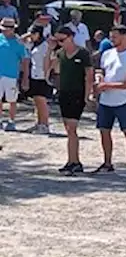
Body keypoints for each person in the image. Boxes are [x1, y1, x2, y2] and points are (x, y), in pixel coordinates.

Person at [94, 26, 126, 178]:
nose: (112, 40)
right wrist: (100, 79)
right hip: (106, 100)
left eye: (115, 37)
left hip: (124, 100)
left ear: (124, 37)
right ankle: (107, 163)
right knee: (104, 131)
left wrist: (108, 85)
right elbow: (102, 71)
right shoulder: (107, 54)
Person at [51, 26, 94, 174]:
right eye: (58, 40)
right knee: (68, 129)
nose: (60, 43)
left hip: (77, 93)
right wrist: (50, 52)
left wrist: (87, 96)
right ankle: (72, 161)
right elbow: (51, 70)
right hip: (64, 93)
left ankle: (74, 161)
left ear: (71, 37)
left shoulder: (82, 53)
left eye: (62, 40)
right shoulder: (60, 53)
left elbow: (89, 75)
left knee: (72, 128)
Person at [21, 24, 53, 134]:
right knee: (36, 101)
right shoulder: (32, 44)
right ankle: (39, 123)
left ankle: (45, 124)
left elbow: (49, 60)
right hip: (34, 74)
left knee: (42, 101)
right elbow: (20, 41)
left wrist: (47, 74)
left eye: (33, 34)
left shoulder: (45, 45)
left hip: (42, 76)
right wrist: (28, 35)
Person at [0, 18, 23, 130]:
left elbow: (24, 59)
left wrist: (24, 77)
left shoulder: (18, 42)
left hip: (12, 75)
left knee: (12, 100)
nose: (4, 31)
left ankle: (11, 121)